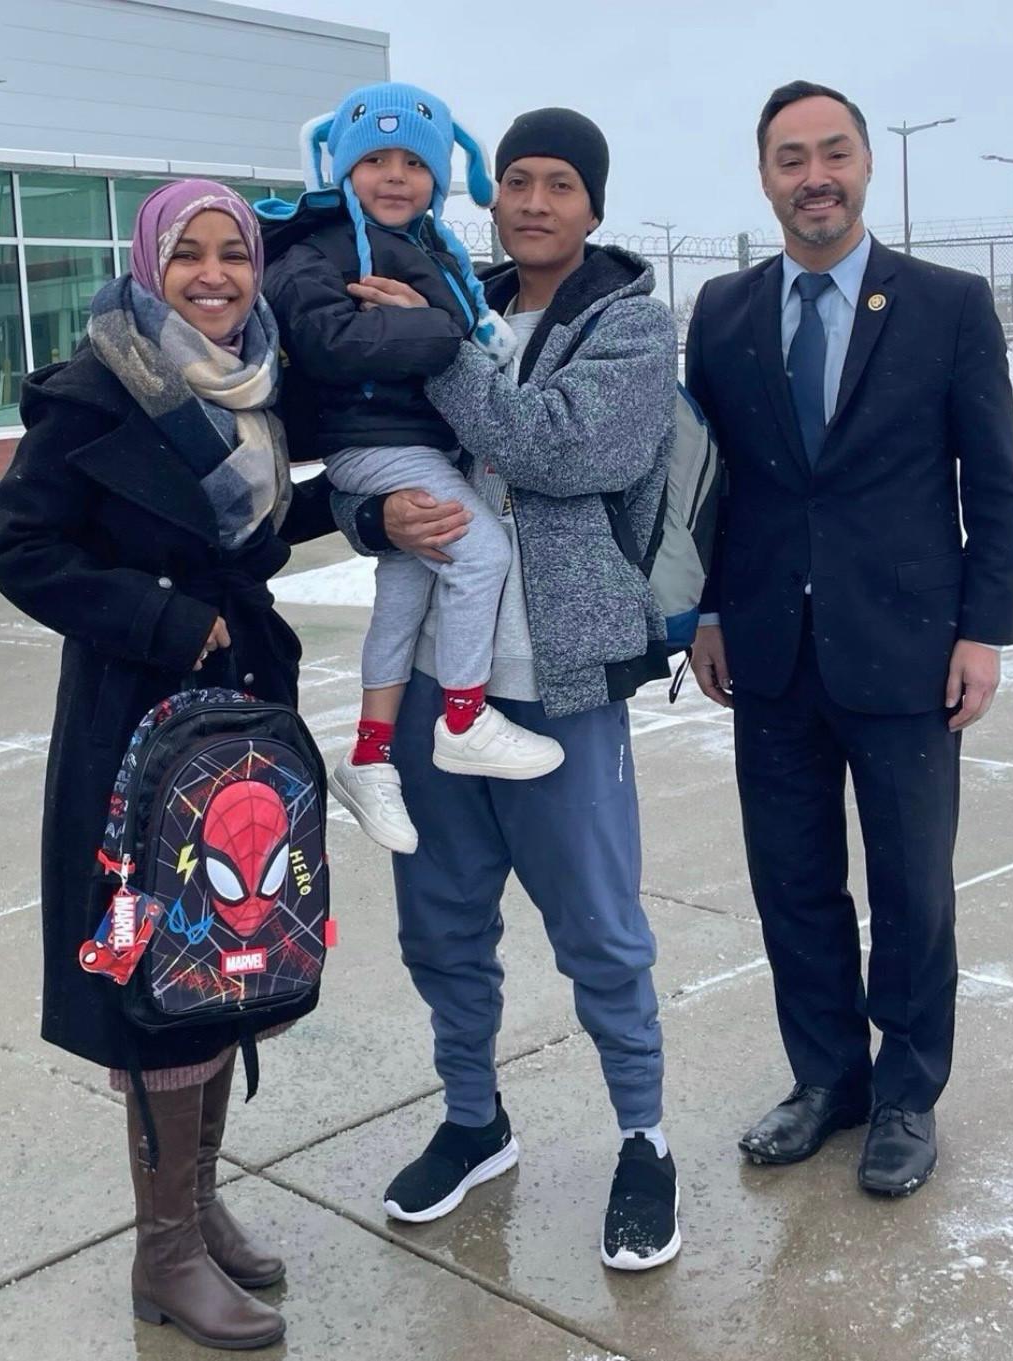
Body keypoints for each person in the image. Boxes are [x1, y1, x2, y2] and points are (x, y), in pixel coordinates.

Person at [0, 181, 345, 1350]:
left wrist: (368, 506)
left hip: (241, 712)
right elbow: (18, 549)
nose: (214, 275)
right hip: (137, 725)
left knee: (226, 959)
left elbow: (251, 527)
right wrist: (168, 620)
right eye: (189, 254)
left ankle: (194, 1202)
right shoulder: (97, 389)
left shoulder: (255, 384)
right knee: (158, 970)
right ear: (149, 264)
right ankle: (165, 1251)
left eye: (233, 252)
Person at [338, 108, 683, 1269]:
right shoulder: (451, 296)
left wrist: (435, 343)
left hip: (560, 686)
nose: (534, 202)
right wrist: (371, 513)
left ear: (593, 205)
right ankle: (473, 1118)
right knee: (440, 925)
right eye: (517, 181)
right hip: (435, 684)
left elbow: (564, 448)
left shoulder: (630, 324)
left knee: (599, 930)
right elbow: (365, 441)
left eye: (560, 185)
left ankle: (644, 1136)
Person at [686, 82, 1013, 1196]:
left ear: (866, 165)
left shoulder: (948, 304)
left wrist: (983, 631)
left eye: (833, 152)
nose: (815, 176)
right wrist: (710, 613)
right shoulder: (723, 312)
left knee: (913, 890)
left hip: (909, 649)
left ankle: (907, 1093)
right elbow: (709, 486)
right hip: (770, 654)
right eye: (791, 158)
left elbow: (994, 482)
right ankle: (827, 1078)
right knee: (793, 882)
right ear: (765, 177)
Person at [265, 82, 565, 858]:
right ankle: (463, 718)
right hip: (375, 440)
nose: (396, 176)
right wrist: (435, 332)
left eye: (415, 163)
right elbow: (330, 342)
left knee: (405, 589)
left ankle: (369, 755)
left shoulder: (425, 245)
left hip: (405, 441)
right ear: (342, 168)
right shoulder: (320, 246)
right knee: (482, 552)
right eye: (375, 160)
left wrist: (433, 324)